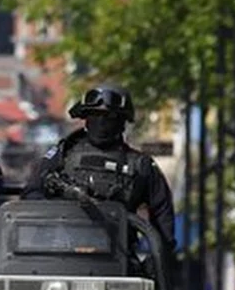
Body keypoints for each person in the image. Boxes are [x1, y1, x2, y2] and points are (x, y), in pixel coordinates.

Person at [23, 86, 176, 249]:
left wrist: (160, 256)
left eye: (109, 116)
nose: (102, 122)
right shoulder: (63, 153)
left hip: (118, 257)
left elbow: (162, 215)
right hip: (63, 251)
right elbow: (32, 194)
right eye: (95, 115)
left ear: (122, 121)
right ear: (86, 118)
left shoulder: (140, 164)